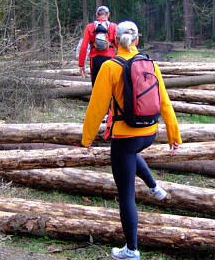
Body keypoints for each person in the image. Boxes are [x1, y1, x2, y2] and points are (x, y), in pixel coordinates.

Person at [81, 21, 182, 260]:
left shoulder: (110, 66)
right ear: (137, 40)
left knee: (126, 194)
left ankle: (132, 250)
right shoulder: (151, 63)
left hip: (126, 136)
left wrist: (86, 140)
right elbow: (165, 101)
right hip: (150, 132)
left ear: (115, 41)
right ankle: (154, 187)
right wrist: (173, 135)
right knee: (130, 154)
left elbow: (96, 108)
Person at [78, 5, 117, 85]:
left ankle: (96, 97)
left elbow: (84, 46)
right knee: (109, 84)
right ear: (108, 14)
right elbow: (119, 45)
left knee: (96, 84)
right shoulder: (114, 27)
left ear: (97, 15)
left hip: (94, 59)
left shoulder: (90, 27)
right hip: (109, 58)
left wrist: (81, 64)